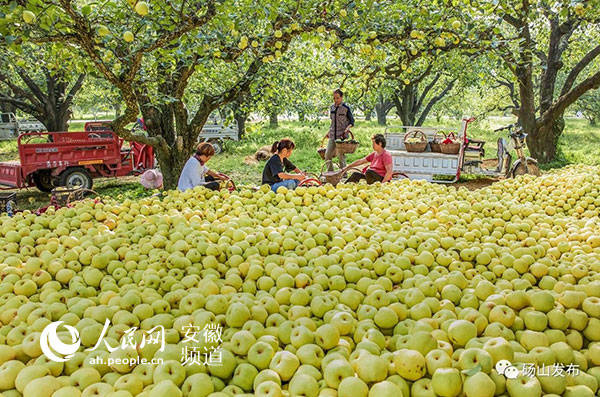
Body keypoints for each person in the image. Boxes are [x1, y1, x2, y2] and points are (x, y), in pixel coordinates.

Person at [324, 89, 355, 172]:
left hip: (342, 136)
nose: (336, 100)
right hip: (332, 135)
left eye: (337, 98)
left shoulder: (346, 108)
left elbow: (352, 121)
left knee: (341, 156)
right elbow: (332, 122)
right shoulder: (332, 108)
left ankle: (343, 174)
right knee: (327, 155)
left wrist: (348, 128)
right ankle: (331, 173)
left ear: (341, 97)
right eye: (334, 98)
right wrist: (328, 132)